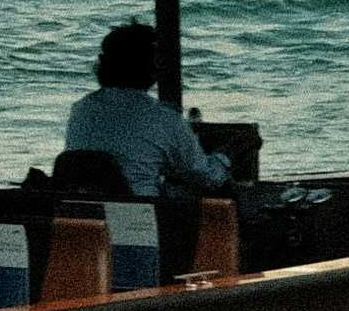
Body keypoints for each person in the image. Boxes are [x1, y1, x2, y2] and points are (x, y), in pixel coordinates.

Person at [58, 21, 234, 204]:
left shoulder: (81, 109)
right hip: (139, 219)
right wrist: (225, 156)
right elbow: (206, 177)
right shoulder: (164, 119)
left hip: (80, 213)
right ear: (150, 66)